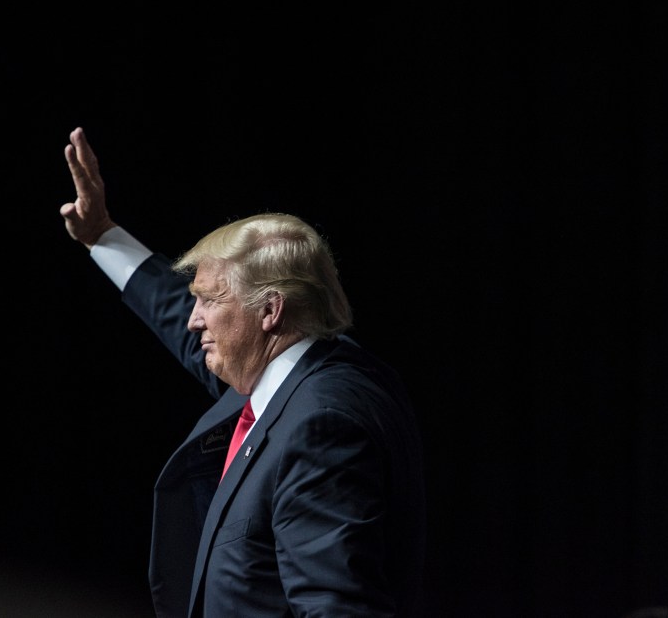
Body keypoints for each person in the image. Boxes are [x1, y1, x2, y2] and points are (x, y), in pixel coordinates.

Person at [59, 126, 427, 617]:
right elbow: (178, 319)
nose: (194, 319)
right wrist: (102, 235)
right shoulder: (303, 370)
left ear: (270, 310)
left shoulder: (321, 429)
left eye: (209, 300)